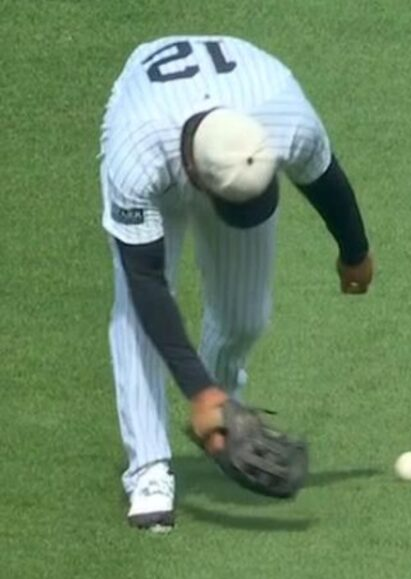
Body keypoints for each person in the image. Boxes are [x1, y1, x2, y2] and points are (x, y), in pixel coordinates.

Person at [100, 35, 373, 528]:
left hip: (227, 121)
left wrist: (355, 251)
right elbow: (145, 281)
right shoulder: (135, 151)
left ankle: (222, 411)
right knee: (136, 313)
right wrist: (195, 391)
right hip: (155, 125)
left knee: (245, 316)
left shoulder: (281, 114)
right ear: (197, 178)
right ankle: (148, 469)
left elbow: (324, 176)